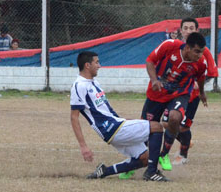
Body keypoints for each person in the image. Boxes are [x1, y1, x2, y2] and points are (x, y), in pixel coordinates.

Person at [70, 51, 169, 181]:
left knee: (145, 157)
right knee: (157, 127)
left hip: (116, 125)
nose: (99, 66)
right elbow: (74, 117)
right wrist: (83, 146)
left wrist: (121, 119)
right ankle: (151, 172)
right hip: (111, 129)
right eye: (97, 62)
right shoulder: (79, 86)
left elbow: (106, 109)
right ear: (87, 65)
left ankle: (105, 171)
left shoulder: (94, 83)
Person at [156, 18, 218, 170]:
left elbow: (211, 72)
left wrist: (199, 84)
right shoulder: (173, 47)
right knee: (167, 122)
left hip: (191, 96)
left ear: (197, 30)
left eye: (192, 28)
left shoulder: (204, 51)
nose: (189, 31)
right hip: (172, 95)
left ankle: (183, 153)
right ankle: (182, 144)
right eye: (186, 28)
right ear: (181, 30)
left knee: (183, 127)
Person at [141, 32, 207, 176]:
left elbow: (201, 78)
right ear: (187, 48)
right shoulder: (170, 46)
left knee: (175, 118)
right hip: (157, 93)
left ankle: (164, 153)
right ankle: (135, 160)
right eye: (197, 51)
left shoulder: (200, 63)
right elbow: (150, 61)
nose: (199, 55)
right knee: (145, 128)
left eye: (201, 52)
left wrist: (201, 92)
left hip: (180, 94)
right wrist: (154, 80)